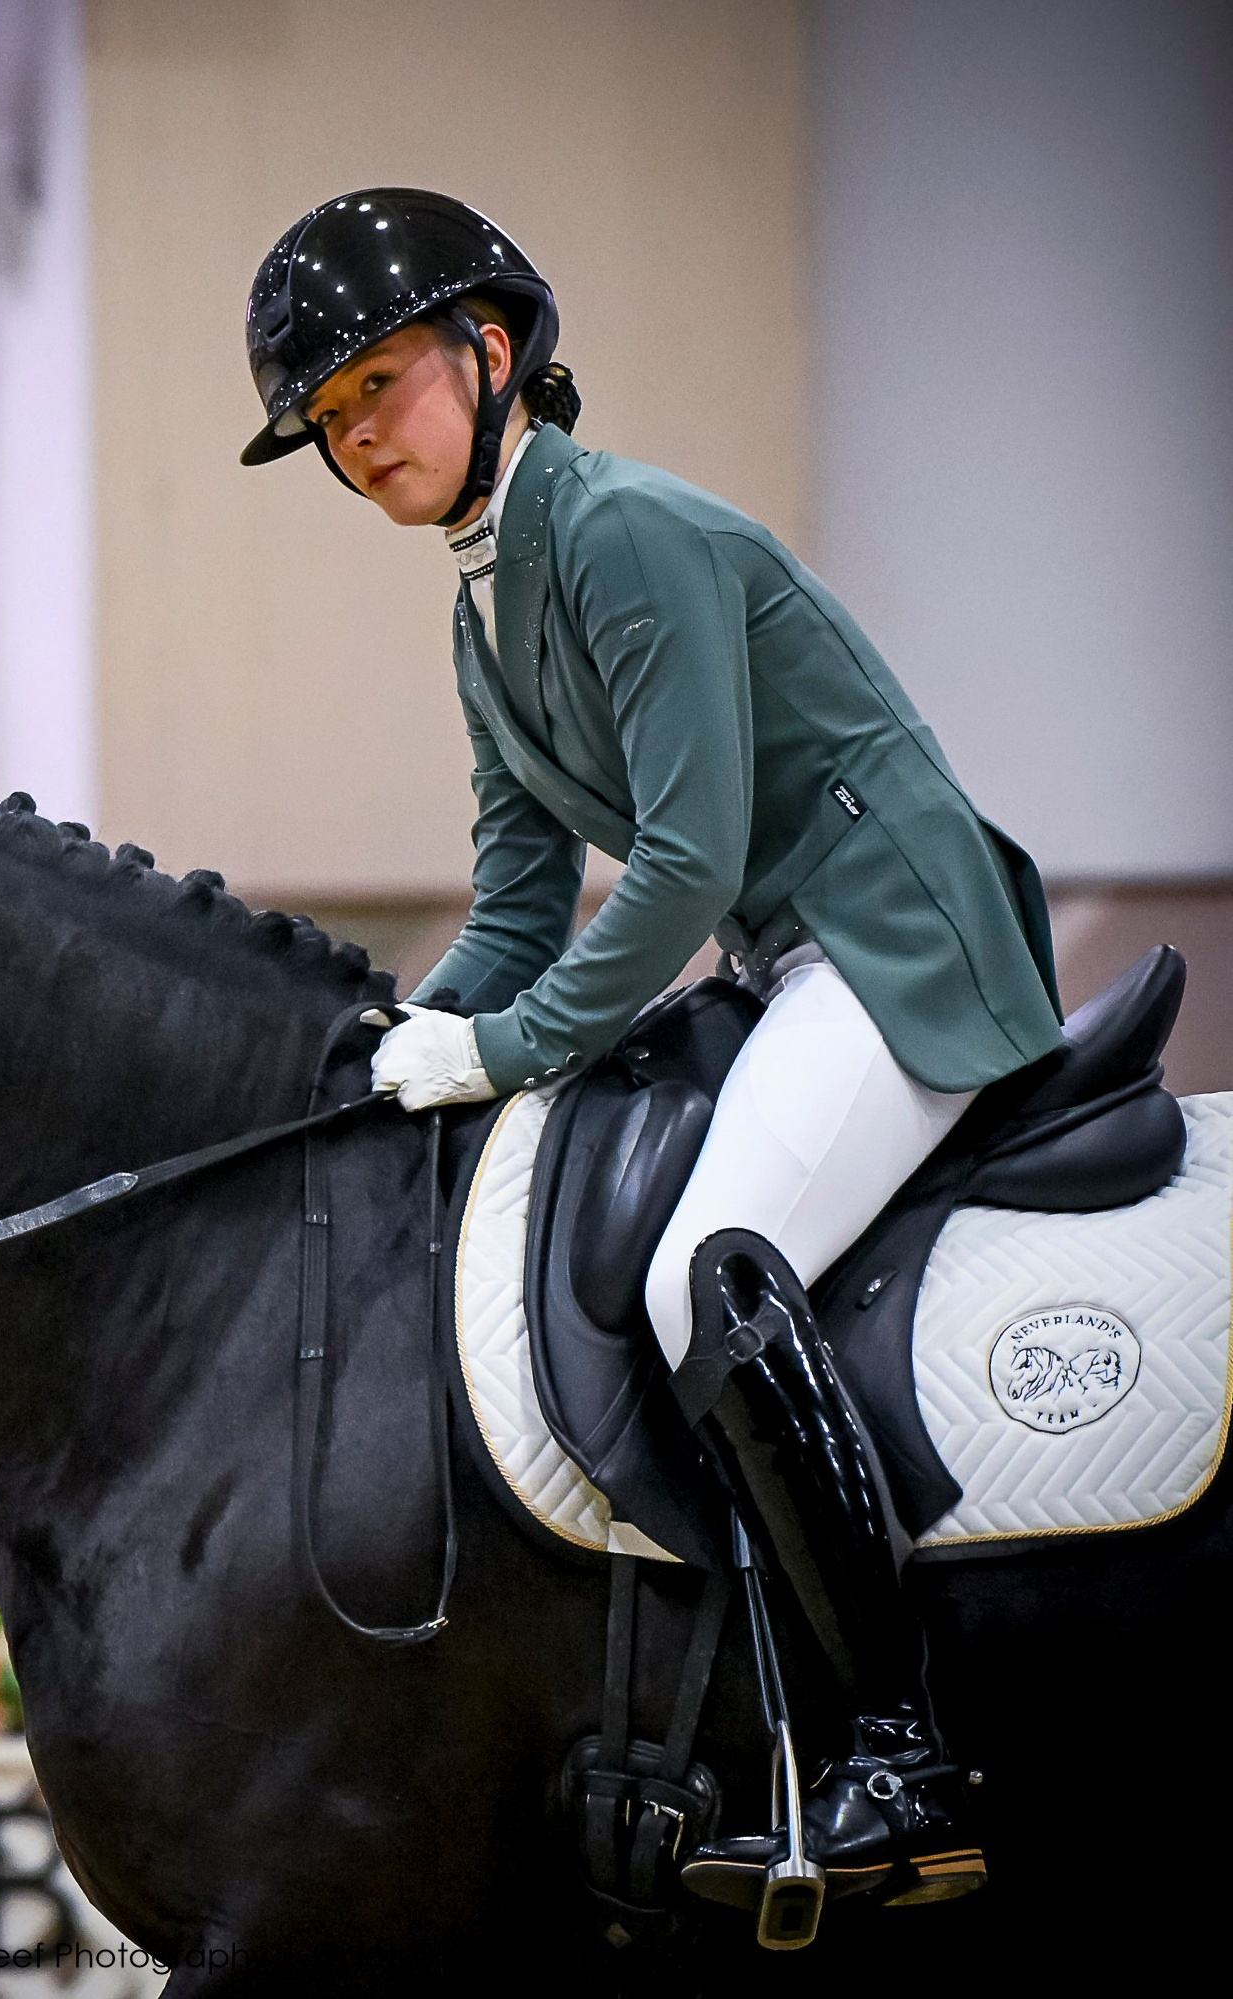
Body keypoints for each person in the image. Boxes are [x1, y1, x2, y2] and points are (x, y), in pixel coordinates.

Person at [240, 189, 1063, 1908]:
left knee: (707, 1272)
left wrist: (505, 1044)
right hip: (789, 961)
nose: (356, 440)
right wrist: (399, 1035)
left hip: (893, 940)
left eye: (375, 386)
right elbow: (520, 895)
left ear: (488, 351)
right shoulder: (480, 608)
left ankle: (905, 1750)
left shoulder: (618, 534)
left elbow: (677, 862)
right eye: (326, 422)